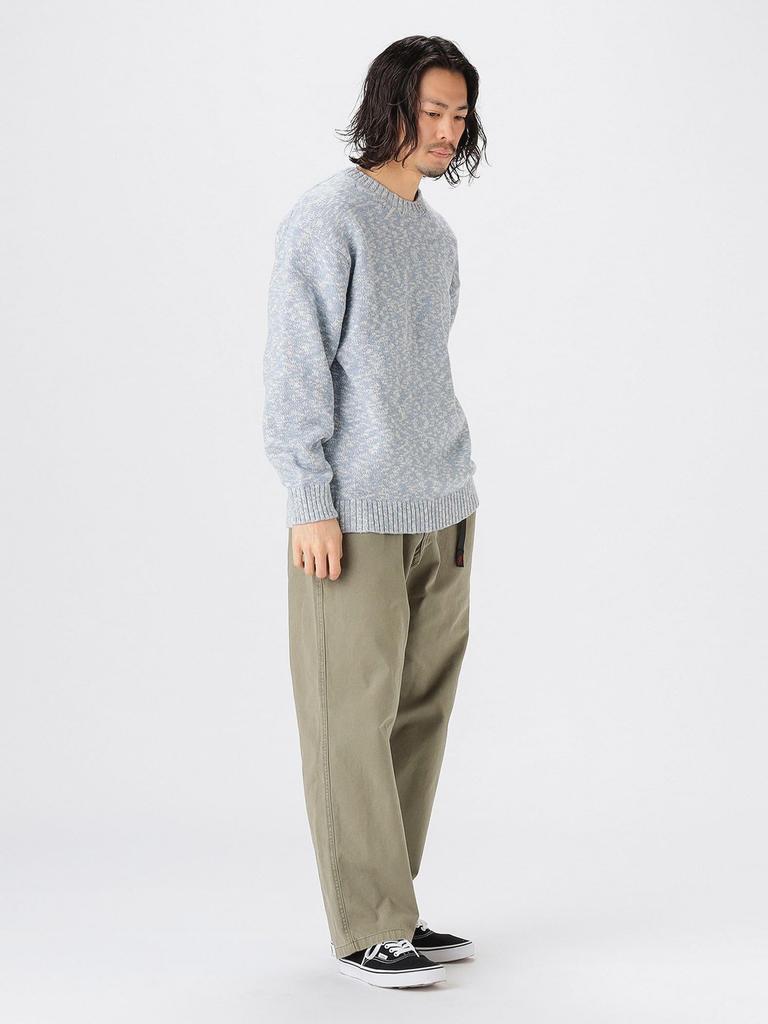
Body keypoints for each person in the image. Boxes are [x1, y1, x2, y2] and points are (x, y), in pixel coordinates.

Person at [262, 35, 487, 988]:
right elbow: (297, 364)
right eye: (432, 111)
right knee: (348, 717)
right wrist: (309, 496)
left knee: (418, 713)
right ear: (390, 105)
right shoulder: (330, 216)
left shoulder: (435, 237)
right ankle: (365, 926)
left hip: (444, 504)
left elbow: (418, 373)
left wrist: (455, 488)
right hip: (353, 513)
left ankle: (395, 904)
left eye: (459, 115)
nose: (446, 130)